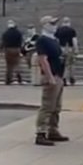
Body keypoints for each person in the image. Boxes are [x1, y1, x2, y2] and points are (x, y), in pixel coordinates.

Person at [34, 16, 69, 146]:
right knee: (47, 106)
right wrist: (49, 76)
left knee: (56, 106)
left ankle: (53, 129)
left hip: (58, 75)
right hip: (52, 75)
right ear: (44, 25)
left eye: (55, 23)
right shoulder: (42, 40)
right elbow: (43, 59)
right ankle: (41, 132)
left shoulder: (54, 39)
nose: (55, 26)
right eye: (52, 23)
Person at [55, 18, 79, 86]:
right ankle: (71, 78)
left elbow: (56, 40)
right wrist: (76, 49)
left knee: (62, 64)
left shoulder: (58, 30)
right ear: (69, 22)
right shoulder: (72, 30)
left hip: (61, 48)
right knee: (70, 64)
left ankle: (63, 78)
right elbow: (74, 41)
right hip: (69, 49)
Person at [0, 20, 24, 85]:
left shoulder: (5, 33)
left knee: (9, 65)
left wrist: (1, 50)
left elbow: (2, 42)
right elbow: (21, 41)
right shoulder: (18, 33)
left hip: (8, 49)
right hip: (16, 49)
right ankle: (19, 78)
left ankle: (8, 80)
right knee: (17, 64)